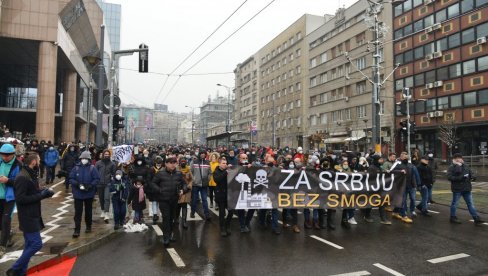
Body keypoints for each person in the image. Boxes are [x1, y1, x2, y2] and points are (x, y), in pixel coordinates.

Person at [8, 153, 54, 275]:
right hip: (27, 216)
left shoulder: (30, 174)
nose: (39, 162)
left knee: (29, 245)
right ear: (33, 161)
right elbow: (21, 199)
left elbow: (32, 192)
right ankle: (15, 268)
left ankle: (19, 272)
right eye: (38, 160)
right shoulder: (22, 177)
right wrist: (41, 195)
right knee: (36, 244)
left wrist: (44, 192)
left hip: (33, 214)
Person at [149, 157, 188, 246]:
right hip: (163, 200)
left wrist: (183, 190)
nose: (173, 165)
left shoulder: (178, 174)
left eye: (174, 163)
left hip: (174, 200)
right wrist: (159, 190)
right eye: (171, 163)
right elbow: (153, 183)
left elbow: (185, 184)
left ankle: (170, 234)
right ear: (166, 164)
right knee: (166, 218)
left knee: (172, 218)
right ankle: (166, 237)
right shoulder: (160, 173)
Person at [69, 151, 100, 238]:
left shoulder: (92, 168)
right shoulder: (76, 168)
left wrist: (90, 185)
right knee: (78, 213)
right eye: (83, 158)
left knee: (88, 211)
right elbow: (71, 178)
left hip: (89, 194)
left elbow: (97, 178)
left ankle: (88, 226)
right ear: (80, 159)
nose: (84, 160)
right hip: (78, 194)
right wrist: (77, 184)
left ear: (89, 159)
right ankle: (77, 229)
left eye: (86, 159)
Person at [447, 153, 484, 225]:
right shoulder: (451, 167)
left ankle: (476, 218)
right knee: (455, 204)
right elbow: (450, 177)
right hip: (457, 189)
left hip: (467, 188)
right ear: (454, 159)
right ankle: (452, 217)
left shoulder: (466, 166)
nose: (458, 159)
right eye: (456, 158)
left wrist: (473, 177)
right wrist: (461, 178)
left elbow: (471, 173)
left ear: (462, 158)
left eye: (460, 158)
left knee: (470, 204)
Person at [0, 143, 22, 257]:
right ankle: (8, 235)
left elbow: (20, 183)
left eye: (7, 155)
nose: (4, 157)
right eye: (2, 155)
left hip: (10, 197)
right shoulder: (0, 161)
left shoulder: (18, 165)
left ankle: (2, 246)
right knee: (1, 223)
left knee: (5, 220)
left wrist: (7, 180)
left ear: (13, 154)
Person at [391, 152, 420, 224]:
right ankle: (404, 215)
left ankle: (395, 212)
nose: (406, 158)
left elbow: (415, 175)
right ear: (401, 158)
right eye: (404, 157)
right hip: (401, 186)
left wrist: (417, 184)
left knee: (407, 200)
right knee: (403, 201)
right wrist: (400, 171)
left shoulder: (411, 165)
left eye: (407, 157)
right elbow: (391, 172)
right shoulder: (398, 164)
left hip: (410, 186)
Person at [213, 157, 234, 237]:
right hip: (221, 194)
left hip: (229, 194)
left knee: (231, 212)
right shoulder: (216, 171)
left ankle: (228, 225)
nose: (225, 165)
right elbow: (217, 179)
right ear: (219, 164)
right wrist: (226, 172)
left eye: (225, 163)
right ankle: (222, 228)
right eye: (223, 163)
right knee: (222, 213)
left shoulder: (228, 170)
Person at [95, 149, 116, 223]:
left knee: (107, 198)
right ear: (103, 155)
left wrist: (112, 179)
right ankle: (103, 210)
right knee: (101, 198)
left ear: (109, 155)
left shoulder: (112, 164)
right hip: (99, 183)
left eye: (108, 154)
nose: (106, 155)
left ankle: (107, 213)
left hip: (108, 183)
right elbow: (95, 173)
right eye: (105, 154)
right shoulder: (98, 163)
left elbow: (114, 174)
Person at [190, 150, 210, 220]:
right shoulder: (194, 162)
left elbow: (210, 173)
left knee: (204, 199)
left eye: (204, 154)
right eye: (201, 153)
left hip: (204, 184)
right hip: (195, 184)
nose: (202, 155)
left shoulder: (207, 162)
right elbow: (191, 172)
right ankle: (192, 212)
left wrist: (208, 179)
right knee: (194, 199)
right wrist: (194, 179)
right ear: (199, 154)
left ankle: (207, 214)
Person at [148, 156, 164, 224]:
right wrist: (151, 186)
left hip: (161, 188)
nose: (158, 166)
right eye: (157, 164)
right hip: (153, 189)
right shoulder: (151, 169)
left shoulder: (163, 169)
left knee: (161, 202)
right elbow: (149, 179)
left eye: (159, 164)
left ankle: (161, 213)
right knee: (154, 202)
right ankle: (155, 214)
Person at [177, 157, 192, 229]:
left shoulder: (188, 169)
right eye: (182, 161)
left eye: (184, 161)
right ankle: (176, 219)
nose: (183, 163)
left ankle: (184, 222)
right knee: (177, 206)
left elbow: (192, 180)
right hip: (178, 191)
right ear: (179, 162)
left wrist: (189, 186)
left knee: (184, 206)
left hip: (186, 191)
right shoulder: (176, 169)